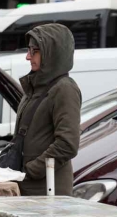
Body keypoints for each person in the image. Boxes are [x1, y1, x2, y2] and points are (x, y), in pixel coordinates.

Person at [14, 24, 82, 197]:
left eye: (34, 50)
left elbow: (67, 144)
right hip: (30, 185)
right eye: (28, 50)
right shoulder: (35, 87)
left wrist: (33, 169)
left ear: (52, 52)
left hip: (48, 190)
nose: (28, 57)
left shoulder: (64, 89)